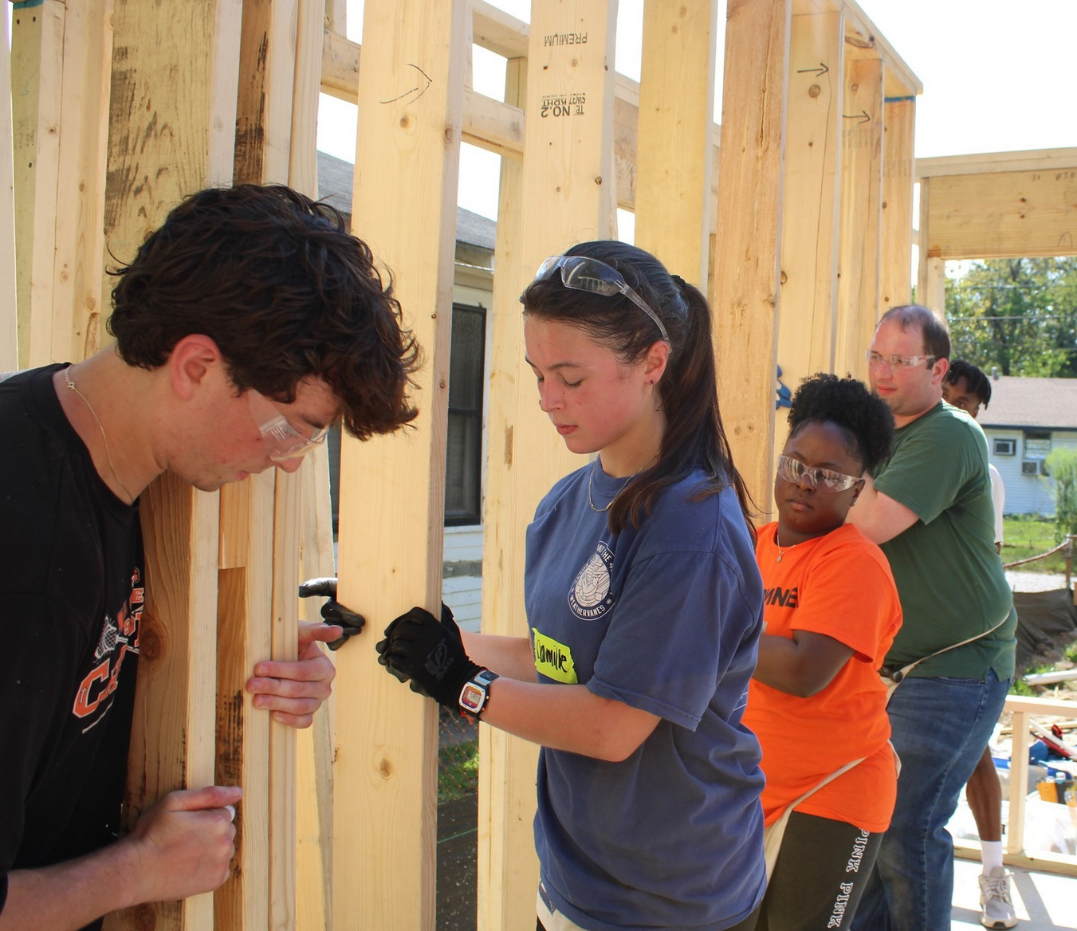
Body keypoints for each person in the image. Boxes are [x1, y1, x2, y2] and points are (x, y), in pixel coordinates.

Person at [0, 184, 420, 931]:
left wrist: (239, 660)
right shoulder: (22, 541)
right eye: (291, 429)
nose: (290, 464)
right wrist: (135, 871)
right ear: (196, 365)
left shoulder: (110, 473)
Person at [376, 242, 766, 931]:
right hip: (577, 879)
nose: (547, 399)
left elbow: (612, 725)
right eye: (537, 373)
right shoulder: (569, 501)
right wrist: (429, 637)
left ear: (653, 363)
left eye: (571, 378)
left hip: (670, 899)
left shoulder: (689, 529)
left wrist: (461, 684)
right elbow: (557, 657)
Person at [848, 305, 1017, 931]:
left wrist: (826, 462)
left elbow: (865, 525)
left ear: (939, 369)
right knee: (869, 826)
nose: (883, 373)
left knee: (907, 825)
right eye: (875, 357)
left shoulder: (948, 433)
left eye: (900, 360)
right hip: (892, 664)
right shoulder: (880, 434)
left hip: (956, 666)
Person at [746, 373, 901, 931]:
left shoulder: (853, 563)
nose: (805, 483)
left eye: (829, 475)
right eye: (795, 463)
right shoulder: (753, 547)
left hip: (832, 793)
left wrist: (704, 631)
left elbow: (803, 669)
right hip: (750, 786)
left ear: (857, 489)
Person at [942, 359, 1017, 930]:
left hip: (964, 641)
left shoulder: (982, 473)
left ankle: (994, 877)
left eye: (970, 406)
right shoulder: (897, 456)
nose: (960, 411)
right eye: (953, 397)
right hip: (900, 641)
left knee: (974, 755)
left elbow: (981, 562)